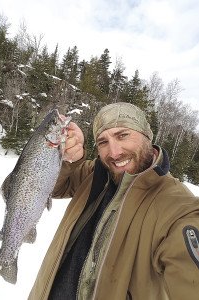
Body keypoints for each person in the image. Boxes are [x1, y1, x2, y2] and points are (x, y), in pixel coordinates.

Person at [28, 102, 199, 300]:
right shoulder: (93, 173)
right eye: (102, 142)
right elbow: (54, 188)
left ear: (147, 137)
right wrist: (69, 159)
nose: (114, 152)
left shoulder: (177, 206)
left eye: (123, 135)